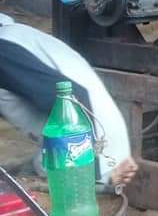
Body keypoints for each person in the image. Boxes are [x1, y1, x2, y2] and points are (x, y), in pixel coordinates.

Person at [0, 13, 138, 189]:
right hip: (102, 142)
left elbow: (71, 100)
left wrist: (90, 175)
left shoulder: (4, 51)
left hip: (90, 149)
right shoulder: (17, 37)